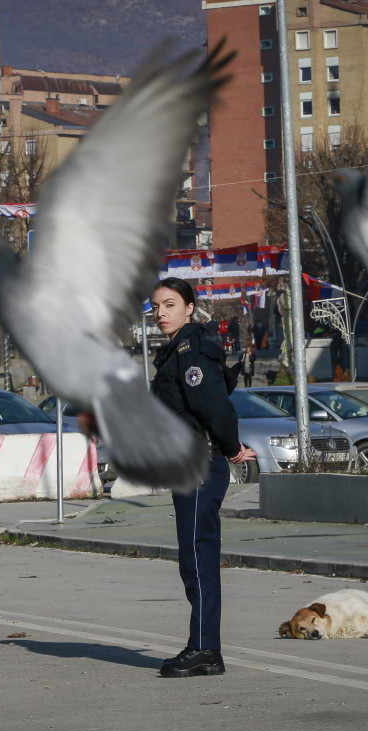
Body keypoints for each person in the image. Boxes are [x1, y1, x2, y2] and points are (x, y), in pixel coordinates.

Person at [149, 277, 256, 678]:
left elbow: (216, 409)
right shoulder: (176, 352)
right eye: (156, 306)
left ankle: (205, 648)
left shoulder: (191, 354)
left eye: (170, 305)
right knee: (193, 558)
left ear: (190, 308)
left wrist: (231, 448)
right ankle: (203, 647)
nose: (160, 313)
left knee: (198, 557)